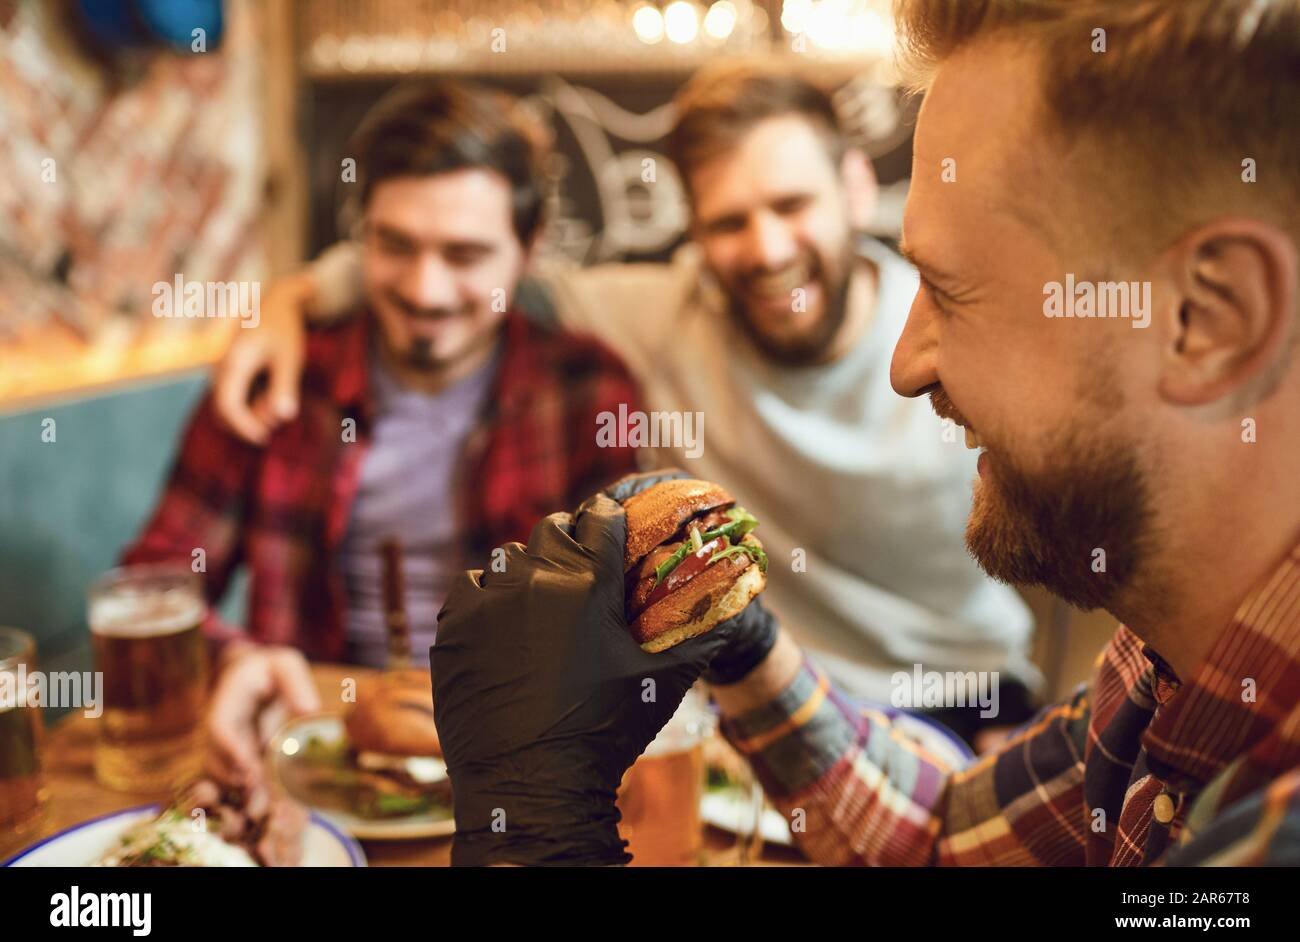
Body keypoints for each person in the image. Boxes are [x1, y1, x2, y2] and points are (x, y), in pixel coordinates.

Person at [430, 0, 1300, 866]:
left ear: (1208, 319)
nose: (907, 364)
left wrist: (534, 832)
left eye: (953, 291)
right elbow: (938, 833)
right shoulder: (1167, 677)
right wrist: (750, 648)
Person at [212, 63, 1041, 747]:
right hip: (754, 715)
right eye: (728, 221)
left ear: (856, 187)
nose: (765, 249)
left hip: (957, 709)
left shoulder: (948, 333)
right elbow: (465, 270)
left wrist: (1019, 729)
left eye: (791, 206)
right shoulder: (662, 316)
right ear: (693, 230)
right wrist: (286, 301)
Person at [120, 81, 642, 791]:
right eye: (396, 245)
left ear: (529, 248)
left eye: (464, 255)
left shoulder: (587, 389)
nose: (426, 291)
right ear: (359, 234)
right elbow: (154, 585)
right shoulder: (280, 374)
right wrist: (234, 661)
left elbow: (620, 619)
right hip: (310, 764)